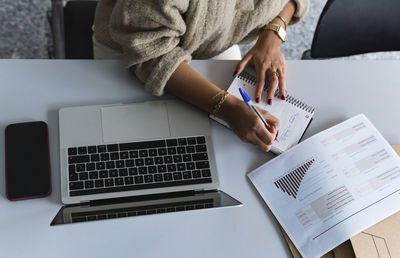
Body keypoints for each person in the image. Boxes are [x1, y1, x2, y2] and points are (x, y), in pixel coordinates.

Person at [93, 0, 309, 152]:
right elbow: (150, 53)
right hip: (133, 48)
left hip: (213, 41)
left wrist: (274, 32)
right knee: (136, 149)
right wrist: (226, 107)